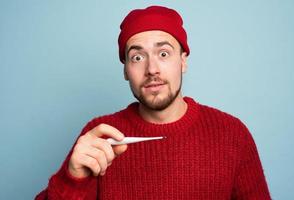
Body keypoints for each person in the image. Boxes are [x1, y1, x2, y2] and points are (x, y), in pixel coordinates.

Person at [35, 5, 271, 200]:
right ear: (126, 70)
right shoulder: (99, 136)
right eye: (137, 57)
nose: (152, 69)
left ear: (183, 61)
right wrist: (72, 178)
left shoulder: (232, 134)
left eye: (164, 53)